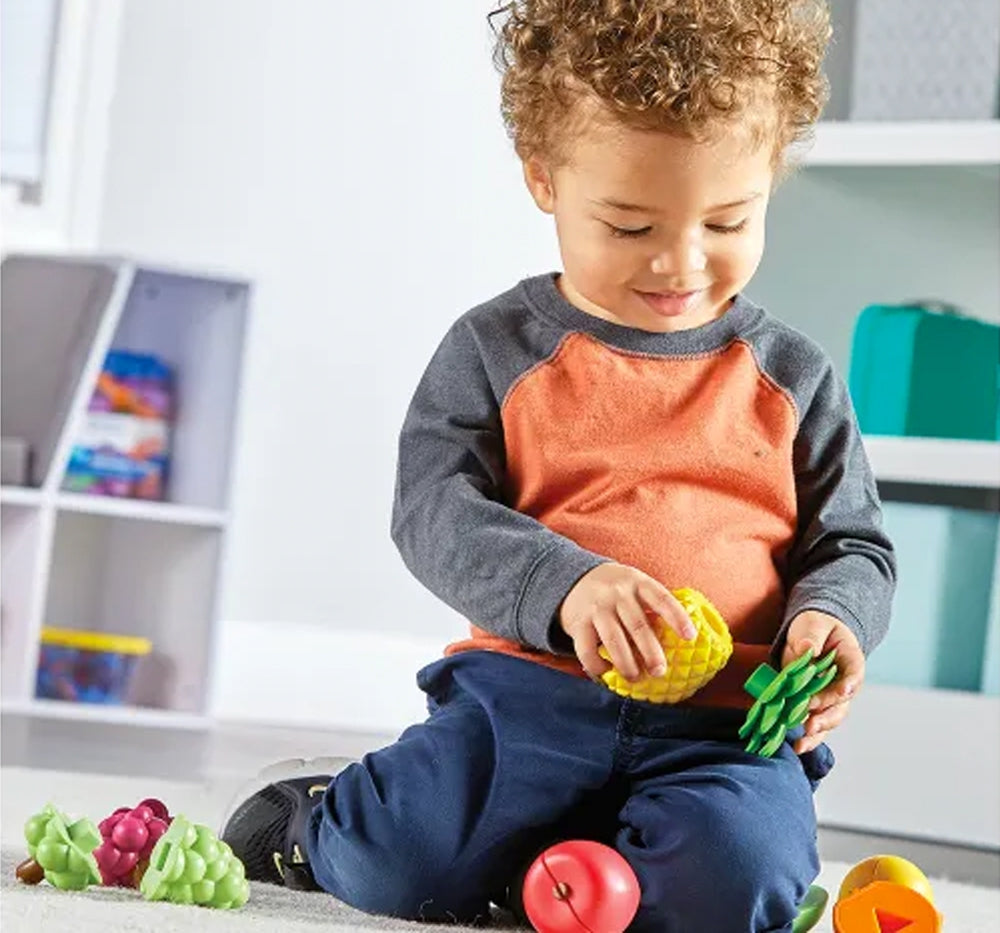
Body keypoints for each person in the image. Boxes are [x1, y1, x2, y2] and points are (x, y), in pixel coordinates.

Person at [221, 2, 896, 929]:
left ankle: (562, 860)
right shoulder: (495, 349)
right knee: (400, 860)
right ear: (544, 178)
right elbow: (433, 511)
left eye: (728, 221)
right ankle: (315, 815)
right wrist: (568, 586)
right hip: (524, 702)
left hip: (723, 729)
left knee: (737, 883)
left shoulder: (794, 377)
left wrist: (833, 618)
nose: (681, 263)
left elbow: (852, 543)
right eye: (629, 226)